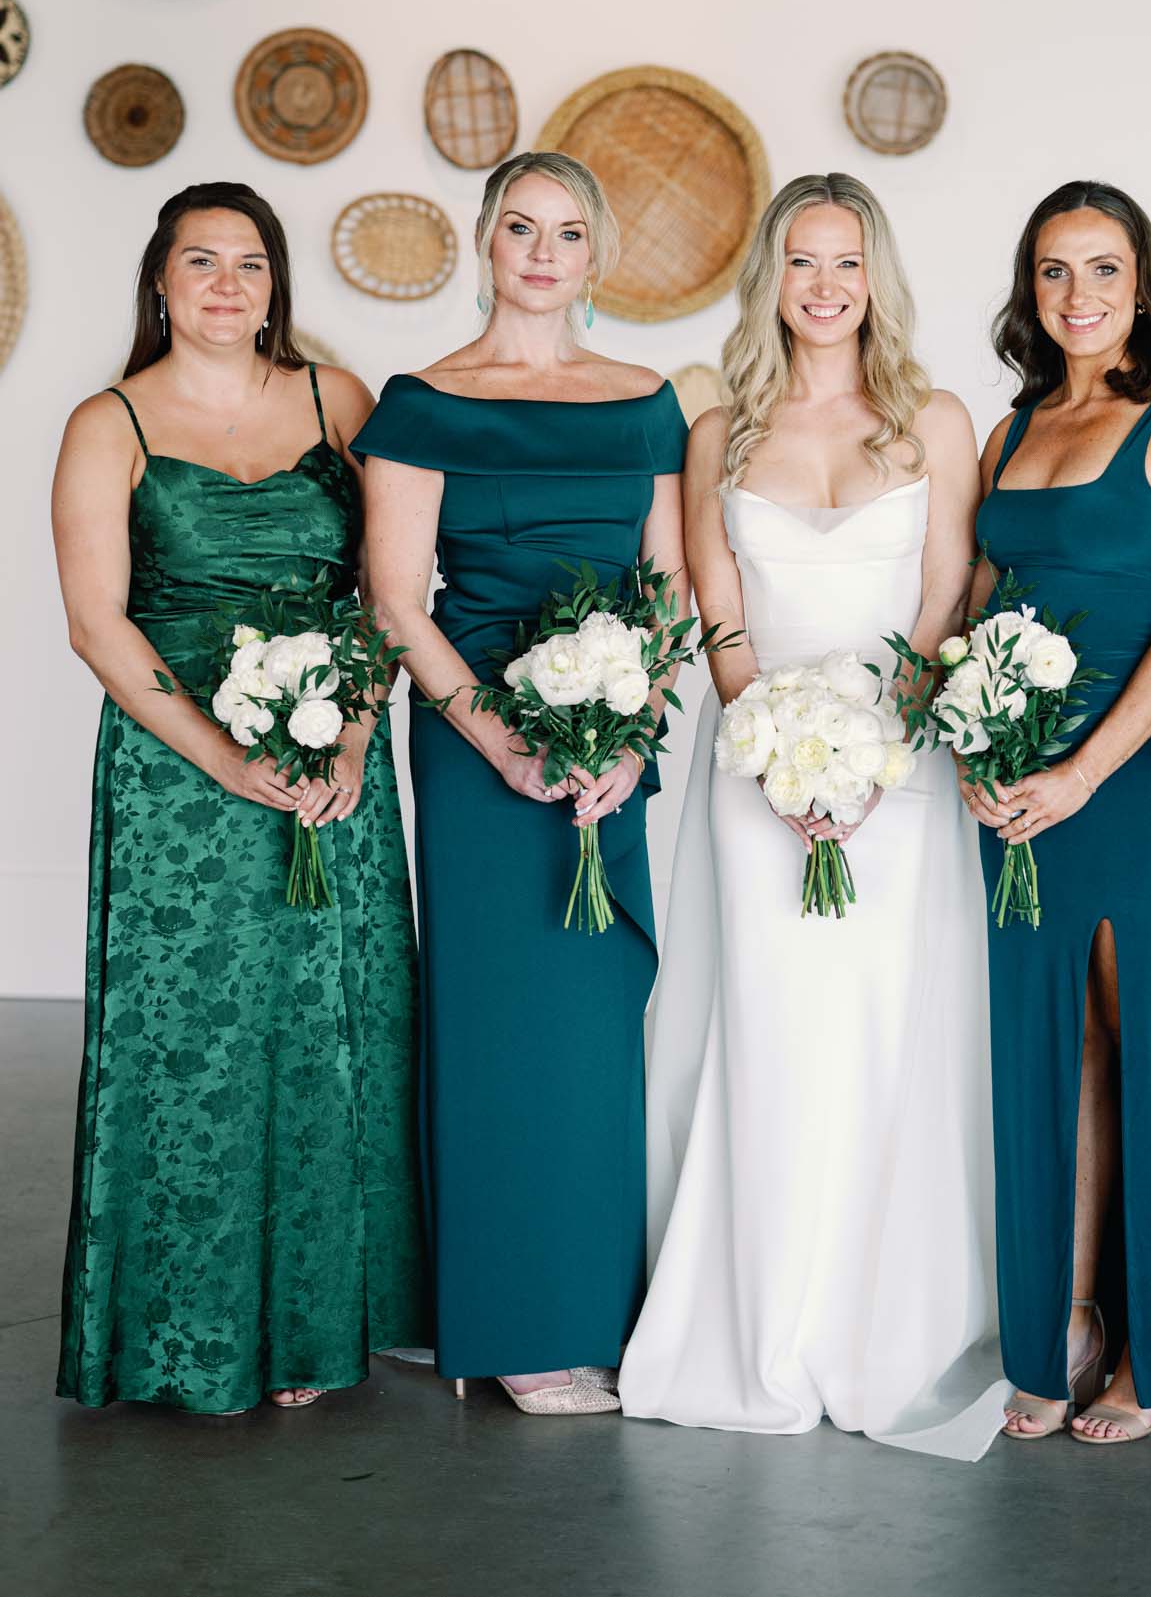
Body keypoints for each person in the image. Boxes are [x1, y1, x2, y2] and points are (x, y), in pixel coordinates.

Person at [620, 173, 1006, 1456]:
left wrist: (880, 745)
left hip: (900, 773)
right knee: (774, 1029)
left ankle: (886, 1315)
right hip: (757, 775)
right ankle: (757, 1317)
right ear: (771, 280)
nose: (825, 286)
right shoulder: (717, 425)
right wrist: (775, 749)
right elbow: (714, 603)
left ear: (875, 276)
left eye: (845, 262)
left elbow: (948, 580)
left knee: (892, 1030)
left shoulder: (935, 418)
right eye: (801, 263)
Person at [52, 182, 425, 1414]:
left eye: (251, 262)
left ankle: (321, 1327)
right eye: (200, 260)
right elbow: (97, 624)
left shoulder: (341, 400)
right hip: (179, 780)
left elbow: (387, 593)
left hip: (331, 764)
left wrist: (359, 735)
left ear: (278, 284)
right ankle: (192, 1332)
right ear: (159, 281)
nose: (227, 283)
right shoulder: (108, 422)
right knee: (194, 1043)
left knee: (330, 1034)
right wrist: (219, 754)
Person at [357, 152, 687, 1416]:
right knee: (498, 1020)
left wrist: (634, 733)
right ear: (482, 241)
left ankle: (585, 1302)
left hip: (606, 737)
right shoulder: (424, 400)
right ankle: (508, 1327)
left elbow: (666, 595)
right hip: (476, 735)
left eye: (566, 232)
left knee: (595, 1021)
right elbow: (398, 598)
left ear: (596, 253)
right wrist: (500, 738)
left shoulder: (646, 401)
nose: (541, 252)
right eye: (518, 228)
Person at [971, 180, 1151, 1445]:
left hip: (1134, 772)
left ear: (1144, 284)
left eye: (1102, 269)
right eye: (1053, 271)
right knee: (1050, 1043)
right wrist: (970, 736)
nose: (1077, 296)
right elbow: (974, 597)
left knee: (1144, 1041)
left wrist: (1083, 770)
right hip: (1016, 771)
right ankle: (1062, 1325)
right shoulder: (1014, 424)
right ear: (1030, 291)